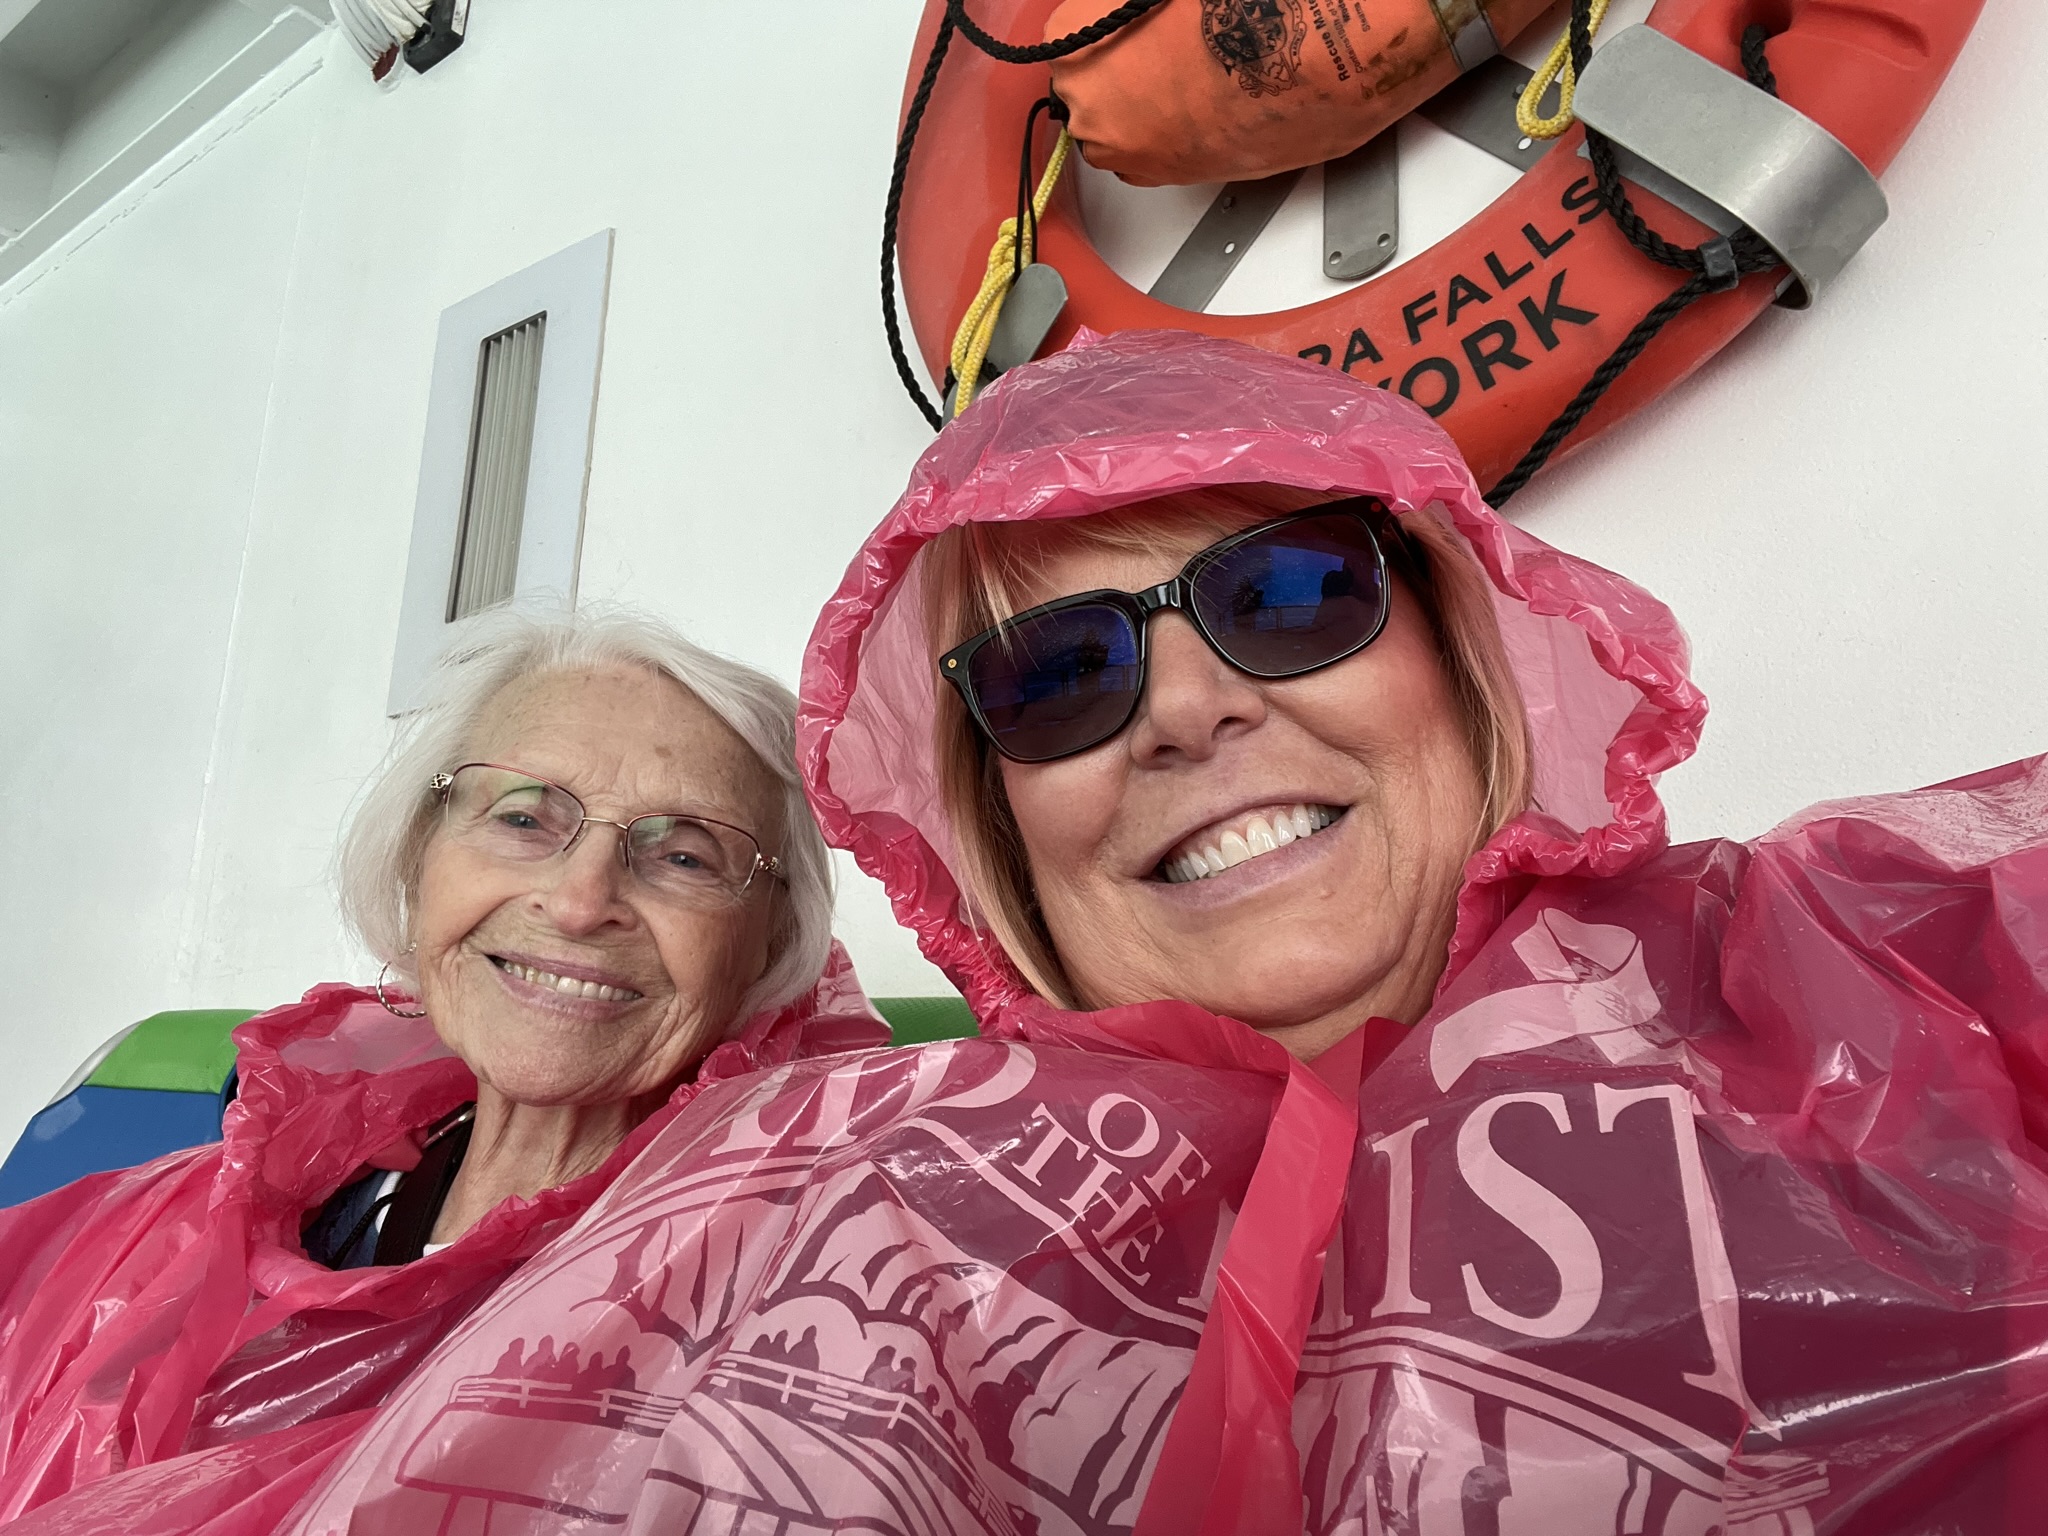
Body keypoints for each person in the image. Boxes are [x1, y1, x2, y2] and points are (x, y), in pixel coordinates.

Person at [121, 333, 2048, 1536]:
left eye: (1291, 592)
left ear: (1460, 654)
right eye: (1058, 674)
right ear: (997, 837)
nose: (1186, 709)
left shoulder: (1875, 956)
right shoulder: (844, 1182)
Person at [0, 607, 887, 1529]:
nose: (580, 902)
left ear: (770, 942)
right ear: (418, 859)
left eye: (684, 855)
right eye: (524, 818)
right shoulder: (250, 1200)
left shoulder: (820, 1289)